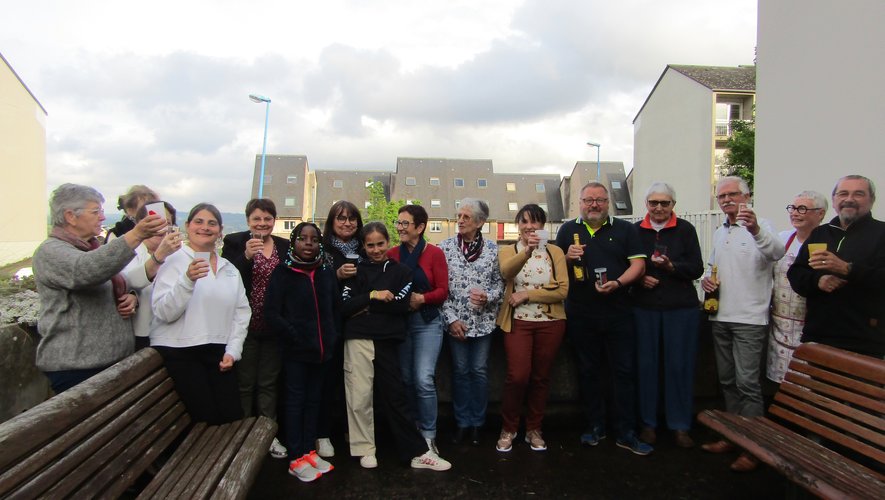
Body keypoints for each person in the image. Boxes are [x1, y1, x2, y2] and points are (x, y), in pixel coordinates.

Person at [33, 183, 166, 393]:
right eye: (96, 212)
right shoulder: (51, 251)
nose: (102, 217)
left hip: (110, 362)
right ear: (70, 216)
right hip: (77, 368)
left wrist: (133, 293)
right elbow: (86, 270)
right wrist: (136, 235)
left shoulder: (90, 248)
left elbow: (121, 280)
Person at [341, 222, 451, 471]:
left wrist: (365, 306)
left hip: (388, 339)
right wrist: (374, 296)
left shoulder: (402, 271)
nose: (376, 250)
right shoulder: (355, 272)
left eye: (380, 244)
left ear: (388, 242)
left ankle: (416, 452)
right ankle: (365, 449)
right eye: (370, 245)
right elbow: (345, 307)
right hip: (358, 338)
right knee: (359, 396)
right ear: (363, 246)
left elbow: (401, 305)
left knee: (396, 396)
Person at [554, 182, 650, 455]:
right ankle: (595, 426)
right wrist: (567, 258)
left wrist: (618, 283)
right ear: (580, 203)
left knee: (624, 372)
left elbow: (639, 265)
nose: (593, 205)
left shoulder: (625, 229)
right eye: (588, 200)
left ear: (608, 203)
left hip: (619, 313)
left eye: (599, 200)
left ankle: (626, 431)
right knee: (588, 372)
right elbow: (553, 268)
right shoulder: (567, 230)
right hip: (581, 314)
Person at [700, 176, 784, 472]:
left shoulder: (763, 226)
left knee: (747, 384)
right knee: (727, 381)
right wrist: (706, 280)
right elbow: (713, 268)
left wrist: (756, 228)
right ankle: (733, 436)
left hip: (749, 319)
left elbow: (776, 252)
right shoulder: (720, 230)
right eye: (721, 196)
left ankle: (753, 447)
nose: (726, 200)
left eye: (732, 195)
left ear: (747, 197)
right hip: (720, 315)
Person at [151, 203, 250, 425]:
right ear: (187, 226)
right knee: (207, 421)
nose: (205, 227)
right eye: (199, 221)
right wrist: (187, 280)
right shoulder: (173, 261)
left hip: (219, 353)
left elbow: (241, 313)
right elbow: (164, 312)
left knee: (232, 417)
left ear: (220, 231)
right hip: (181, 351)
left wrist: (233, 350)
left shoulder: (229, 269)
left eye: (211, 223)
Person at [264, 222, 340, 482]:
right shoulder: (283, 273)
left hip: (322, 352)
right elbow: (272, 313)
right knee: (295, 402)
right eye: (302, 238)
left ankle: (309, 450)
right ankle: (296, 457)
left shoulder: (325, 272)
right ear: (293, 242)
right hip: (296, 353)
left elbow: (334, 309)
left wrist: (331, 336)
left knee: (314, 401)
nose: (308, 243)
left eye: (314, 239)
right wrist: (293, 335)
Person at [632, 183, 704, 449]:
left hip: (680, 308)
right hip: (645, 307)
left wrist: (672, 267)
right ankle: (648, 423)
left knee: (679, 367)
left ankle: (680, 424)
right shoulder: (635, 231)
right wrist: (639, 278)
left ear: (673, 204)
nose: (659, 208)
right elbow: (626, 264)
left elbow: (696, 267)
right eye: (654, 203)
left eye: (664, 203)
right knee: (646, 366)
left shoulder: (686, 229)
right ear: (646, 204)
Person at [494, 204, 568, 453]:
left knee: (541, 377)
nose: (529, 226)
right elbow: (507, 272)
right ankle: (509, 428)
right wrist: (527, 251)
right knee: (517, 376)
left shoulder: (555, 252)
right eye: (524, 221)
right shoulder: (509, 250)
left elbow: (562, 290)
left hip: (551, 322)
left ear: (543, 226)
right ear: (518, 225)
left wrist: (527, 294)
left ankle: (534, 429)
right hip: (518, 322)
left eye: (535, 221)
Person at [221, 198, 290, 459]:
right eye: (256, 219)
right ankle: (242, 436)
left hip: (273, 326)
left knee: (269, 383)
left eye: (267, 218)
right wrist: (247, 256)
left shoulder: (283, 245)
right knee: (245, 382)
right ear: (248, 220)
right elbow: (226, 276)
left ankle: (267, 435)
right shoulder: (235, 242)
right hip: (245, 326)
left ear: (274, 220)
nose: (262, 223)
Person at [788, 175, 885, 358]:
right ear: (834, 201)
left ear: (872, 200)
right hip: (818, 337)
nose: (849, 199)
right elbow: (796, 273)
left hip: (865, 342)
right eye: (843, 194)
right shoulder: (820, 233)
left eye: (858, 194)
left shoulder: (881, 234)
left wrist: (848, 269)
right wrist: (818, 281)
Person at [439, 198, 504, 446]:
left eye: (466, 217)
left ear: (480, 222)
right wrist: (451, 319)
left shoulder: (493, 250)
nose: (460, 220)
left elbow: (500, 284)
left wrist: (489, 297)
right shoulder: (445, 248)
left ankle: (477, 422)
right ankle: (462, 422)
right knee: (460, 372)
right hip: (456, 323)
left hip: (483, 322)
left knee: (478, 371)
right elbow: (440, 287)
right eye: (459, 216)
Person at [387, 205, 450, 453]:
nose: (400, 228)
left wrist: (422, 299)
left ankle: (428, 434)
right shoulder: (392, 254)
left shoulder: (434, 253)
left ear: (420, 227)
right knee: (406, 379)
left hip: (427, 322)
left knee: (423, 378)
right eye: (398, 223)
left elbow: (443, 291)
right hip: (401, 323)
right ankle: (411, 429)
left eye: (405, 223)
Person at [315, 200, 366, 457]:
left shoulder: (366, 248)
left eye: (352, 218)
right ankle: (323, 433)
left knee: (358, 383)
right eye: (341, 218)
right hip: (330, 325)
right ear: (331, 222)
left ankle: (352, 430)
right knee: (328, 380)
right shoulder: (321, 250)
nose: (347, 223)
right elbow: (313, 286)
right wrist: (336, 276)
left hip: (360, 326)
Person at [767, 191, 827, 382]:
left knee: (808, 380)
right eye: (792, 208)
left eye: (802, 209)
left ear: (820, 213)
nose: (794, 213)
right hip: (780, 323)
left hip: (810, 323)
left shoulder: (827, 242)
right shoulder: (782, 239)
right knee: (780, 380)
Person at [123, 201, 182, 351]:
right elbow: (127, 281)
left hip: (173, 334)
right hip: (138, 333)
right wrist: (159, 256)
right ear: (140, 224)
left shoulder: (179, 255)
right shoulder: (127, 251)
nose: (160, 228)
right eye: (154, 221)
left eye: (166, 223)